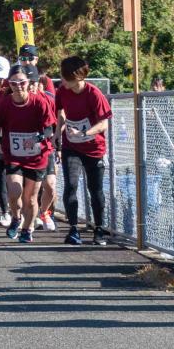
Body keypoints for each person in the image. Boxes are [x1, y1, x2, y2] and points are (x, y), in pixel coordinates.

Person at [0, 64, 58, 242]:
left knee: (30, 199)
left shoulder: (39, 102)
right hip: (13, 155)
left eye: (21, 82)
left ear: (28, 83)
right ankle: (15, 217)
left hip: (37, 156)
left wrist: (35, 138)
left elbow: (49, 130)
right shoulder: (5, 103)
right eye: (13, 83)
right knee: (14, 192)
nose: (18, 86)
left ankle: (27, 230)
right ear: (9, 84)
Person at [55, 55, 112, 245]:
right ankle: (73, 229)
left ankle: (99, 229)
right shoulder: (62, 92)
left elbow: (104, 123)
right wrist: (57, 133)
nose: (61, 80)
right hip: (71, 145)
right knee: (71, 185)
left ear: (77, 77)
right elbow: (60, 112)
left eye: (64, 76)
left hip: (93, 147)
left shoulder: (94, 94)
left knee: (95, 189)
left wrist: (85, 132)